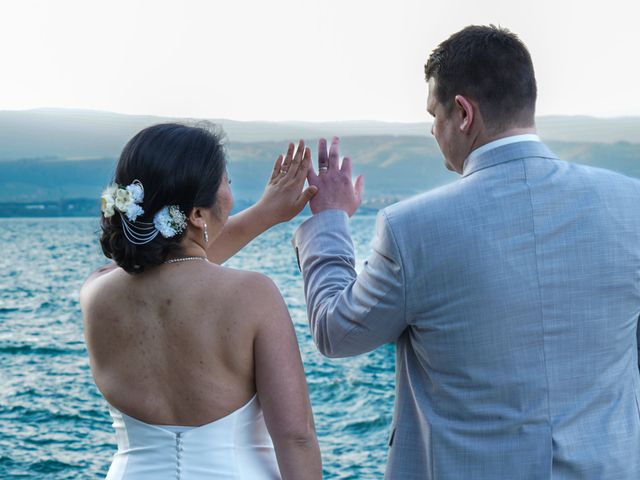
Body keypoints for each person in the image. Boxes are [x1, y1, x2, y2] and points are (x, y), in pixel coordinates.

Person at [293, 25, 640, 479]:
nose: (433, 130)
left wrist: (330, 221)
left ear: (462, 113)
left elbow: (337, 332)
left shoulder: (410, 228)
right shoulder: (631, 203)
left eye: (433, 115)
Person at [80, 123, 322, 480]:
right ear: (195, 214)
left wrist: (265, 212)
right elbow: (295, 437)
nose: (229, 191)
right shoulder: (253, 295)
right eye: (226, 182)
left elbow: (165, 263)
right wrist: (267, 213)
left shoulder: (96, 294)